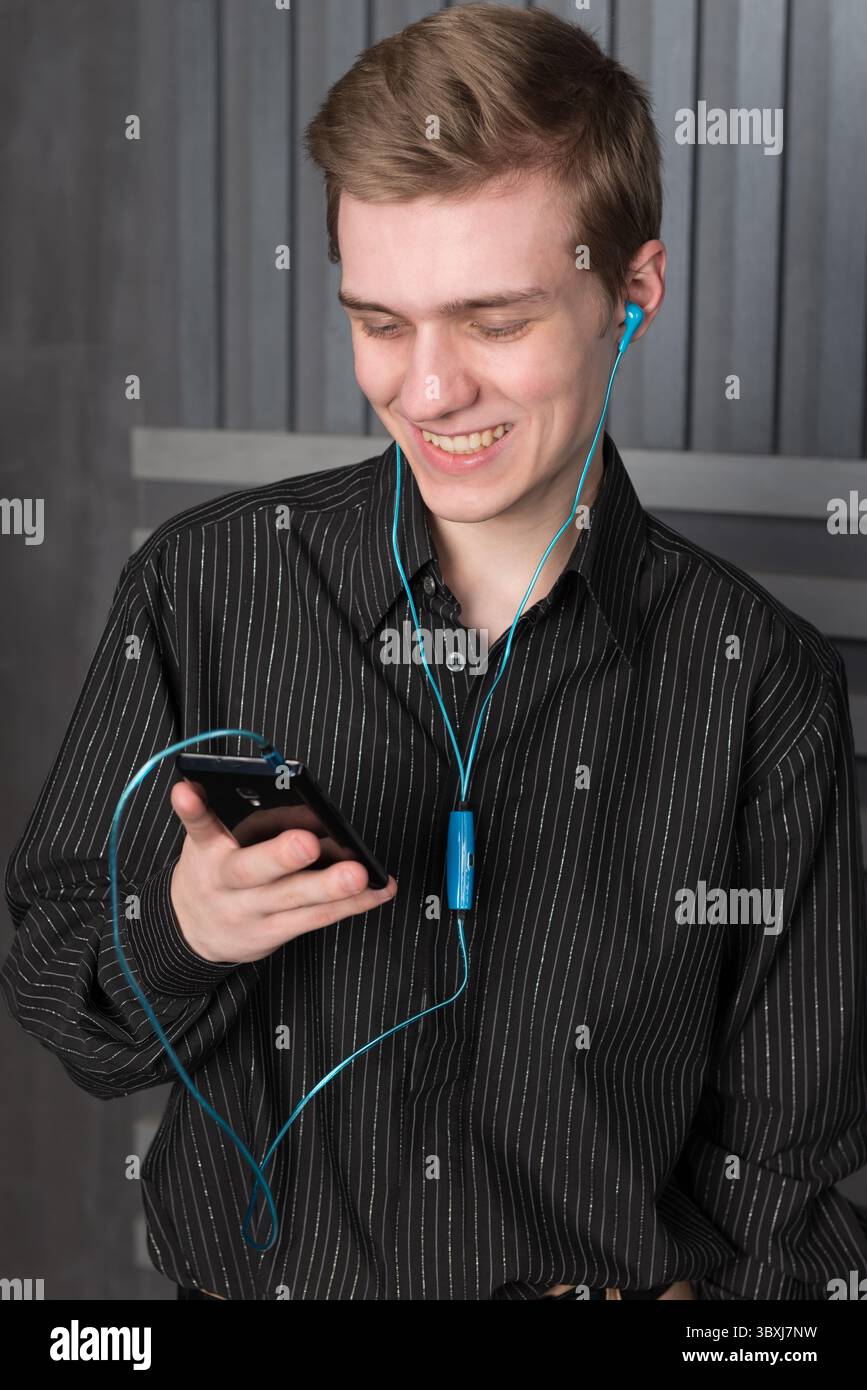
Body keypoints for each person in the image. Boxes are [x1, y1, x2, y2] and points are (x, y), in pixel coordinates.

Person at [3, 3, 866, 1302]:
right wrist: (180, 928)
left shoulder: (764, 682)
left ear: (634, 292)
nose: (428, 390)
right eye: (381, 321)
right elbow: (60, 994)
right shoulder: (204, 586)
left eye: (495, 321)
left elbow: (784, 1179)